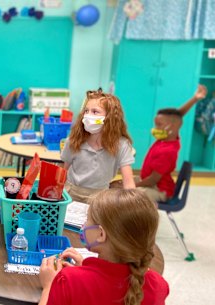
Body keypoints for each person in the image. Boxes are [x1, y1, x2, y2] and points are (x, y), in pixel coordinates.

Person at [38, 189, 169, 305]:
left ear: (101, 234)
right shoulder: (159, 285)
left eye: (87, 219)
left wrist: (49, 286)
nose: (83, 225)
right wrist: (86, 269)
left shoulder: (68, 281)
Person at [111, 84, 207, 201]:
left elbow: (153, 180)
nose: (156, 128)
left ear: (173, 126)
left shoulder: (168, 151)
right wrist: (195, 98)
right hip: (148, 181)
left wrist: (131, 186)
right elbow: (177, 115)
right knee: (114, 185)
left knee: (123, 196)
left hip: (159, 189)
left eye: (159, 125)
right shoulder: (166, 139)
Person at [60, 88, 135, 202]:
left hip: (99, 196)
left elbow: (129, 183)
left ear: (110, 118)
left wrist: (134, 204)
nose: (88, 116)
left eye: (95, 112)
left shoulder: (121, 144)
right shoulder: (74, 139)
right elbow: (63, 171)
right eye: (86, 111)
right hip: (71, 192)